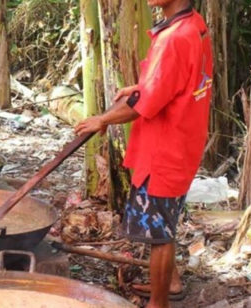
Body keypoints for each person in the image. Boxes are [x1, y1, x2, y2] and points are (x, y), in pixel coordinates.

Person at [75, 0, 213, 307]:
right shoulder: (194, 25)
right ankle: (171, 283)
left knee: (159, 236)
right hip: (184, 141)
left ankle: (159, 304)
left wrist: (103, 119)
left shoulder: (174, 38)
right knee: (165, 222)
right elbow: (182, 77)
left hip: (165, 151)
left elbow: (143, 106)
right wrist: (144, 85)